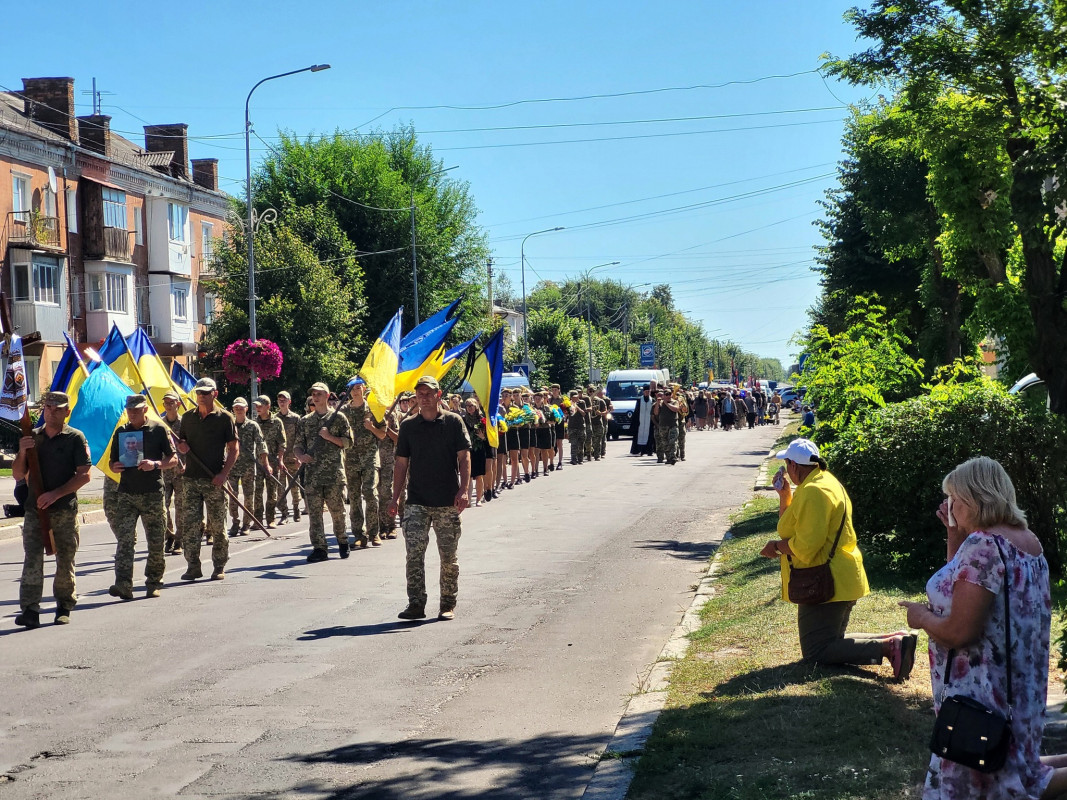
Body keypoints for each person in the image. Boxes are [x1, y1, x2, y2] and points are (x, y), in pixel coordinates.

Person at [899, 456, 1067, 799]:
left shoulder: (984, 546)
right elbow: (956, 586)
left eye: (954, 500)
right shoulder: (1026, 541)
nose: (950, 507)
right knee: (1018, 771)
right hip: (1017, 689)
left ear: (975, 499)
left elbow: (961, 631)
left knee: (992, 783)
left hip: (979, 695)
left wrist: (920, 618)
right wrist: (954, 533)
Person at [761, 438, 914, 676]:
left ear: (794, 465)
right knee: (831, 640)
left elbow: (807, 545)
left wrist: (777, 548)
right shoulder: (822, 482)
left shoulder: (813, 491)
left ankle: (889, 646)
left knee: (816, 651)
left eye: (787, 464)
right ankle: (895, 640)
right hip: (837, 575)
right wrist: (784, 496)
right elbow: (791, 527)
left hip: (824, 578)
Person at [390, 376, 471, 621]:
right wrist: (395, 498)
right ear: (415, 397)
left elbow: (464, 457)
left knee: (448, 557)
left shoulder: (453, 422)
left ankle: (447, 603)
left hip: (447, 500)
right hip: (416, 501)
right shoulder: (408, 426)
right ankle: (415, 603)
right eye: (420, 393)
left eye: (429, 392)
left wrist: (464, 489)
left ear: (438, 395)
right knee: (414, 555)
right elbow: (401, 464)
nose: (424, 396)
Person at [13, 392, 92, 628]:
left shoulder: (75, 438)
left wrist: (56, 494)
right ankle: (30, 610)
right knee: (32, 559)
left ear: (67, 412)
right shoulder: (32, 437)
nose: (51, 411)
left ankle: (64, 606)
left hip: (63, 510)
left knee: (65, 559)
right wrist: (23, 450)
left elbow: (84, 475)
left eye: (58, 408)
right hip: (34, 510)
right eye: (48, 407)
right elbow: (18, 473)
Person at [107, 394, 177, 600]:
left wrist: (155, 464)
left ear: (145, 410)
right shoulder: (121, 432)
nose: (133, 414)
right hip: (127, 494)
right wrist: (115, 466)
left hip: (152, 493)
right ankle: (123, 584)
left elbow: (173, 459)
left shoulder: (158, 429)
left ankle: (153, 582)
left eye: (137, 410)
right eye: (130, 410)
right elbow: (112, 462)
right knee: (125, 541)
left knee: (155, 541)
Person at [177, 378, 238, 581]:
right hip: (191, 479)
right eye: (199, 393)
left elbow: (233, 449)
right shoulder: (187, 418)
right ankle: (193, 566)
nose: (201, 396)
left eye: (206, 392)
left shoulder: (224, 418)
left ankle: (219, 565)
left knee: (218, 526)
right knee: (191, 526)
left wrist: (223, 474)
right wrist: (181, 448)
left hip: (214, 480)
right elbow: (182, 443)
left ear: (215, 394)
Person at [295, 382, 353, 561]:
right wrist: (301, 457)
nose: (316, 396)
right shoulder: (305, 421)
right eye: (313, 393)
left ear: (327, 396)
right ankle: (320, 548)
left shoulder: (338, 417)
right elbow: (297, 445)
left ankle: (342, 540)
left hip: (333, 474)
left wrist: (329, 437)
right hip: (312, 475)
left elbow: (349, 442)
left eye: (319, 393)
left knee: (337, 511)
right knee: (314, 514)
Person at [340, 378, 380, 549]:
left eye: (358, 388)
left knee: (370, 493)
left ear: (364, 389)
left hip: (369, 458)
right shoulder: (343, 411)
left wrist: (371, 427)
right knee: (354, 498)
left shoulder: (372, 408)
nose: (355, 391)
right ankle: (358, 535)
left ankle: (374, 533)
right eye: (352, 389)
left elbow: (383, 434)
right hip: (350, 460)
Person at [227, 398, 268, 537]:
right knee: (232, 497)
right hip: (231, 466)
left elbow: (261, 444)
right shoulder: (229, 425)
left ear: (246, 409)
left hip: (248, 467)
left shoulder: (252, 426)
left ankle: (246, 524)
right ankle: (235, 521)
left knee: (249, 497)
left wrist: (266, 463)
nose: (238, 409)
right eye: (236, 407)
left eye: (241, 407)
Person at [252, 395, 287, 528]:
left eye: (260, 406)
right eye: (256, 406)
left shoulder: (277, 422)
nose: (257, 408)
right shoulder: (254, 423)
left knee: (272, 493)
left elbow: (282, 443)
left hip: (272, 462)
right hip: (257, 463)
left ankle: (271, 519)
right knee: (258, 492)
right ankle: (258, 520)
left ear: (268, 406)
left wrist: (280, 460)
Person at [160, 390, 186, 555]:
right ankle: (169, 534)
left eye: (172, 402)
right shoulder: (160, 424)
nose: (169, 405)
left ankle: (179, 540)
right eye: (166, 403)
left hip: (182, 472)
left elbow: (193, 447)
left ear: (178, 404)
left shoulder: (185, 424)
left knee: (181, 507)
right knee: (162, 507)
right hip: (164, 471)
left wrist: (188, 464)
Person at [275, 391, 303, 523]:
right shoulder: (275, 419)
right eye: (280, 399)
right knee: (280, 488)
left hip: (293, 457)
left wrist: (299, 456)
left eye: (284, 399)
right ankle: (284, 513)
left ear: (289, 401)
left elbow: (300, 438)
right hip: (279, 459)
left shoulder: (296, 418)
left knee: (294, 487)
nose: (282, 402)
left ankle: (296, 509)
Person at [630, 385, 656, 456]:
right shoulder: (639, 400)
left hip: (649, 422)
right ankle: (638, 450)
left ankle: (649, 451)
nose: (647, 393)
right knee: (639, 436)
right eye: (646, 391)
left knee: (649, 436)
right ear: (643, 392)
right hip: (640, 422)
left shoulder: (653, 400)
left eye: (648, 391)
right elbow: (636, 412)